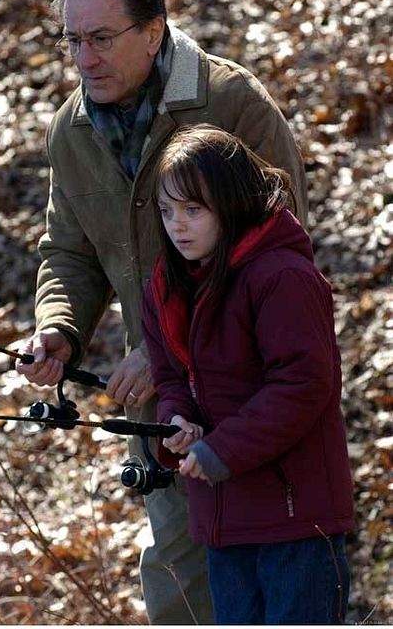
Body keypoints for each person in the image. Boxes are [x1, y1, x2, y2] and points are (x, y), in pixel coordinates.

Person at [16, 0, 308, 625]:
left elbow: (281, 249)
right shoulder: (72, 128)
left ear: (153, 33)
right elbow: (68, 247)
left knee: (277, 578)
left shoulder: (232, 104)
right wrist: (58, 328)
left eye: (101, 38)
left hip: (259, 393)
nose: (84, 58)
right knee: (177, 578)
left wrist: (169, 342)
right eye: (72, 41)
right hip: (164, 408)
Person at [141, 124, 355, 625]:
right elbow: (172, 378)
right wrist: (177, 423)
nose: (178, 225)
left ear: (231, 204)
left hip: (297, 519)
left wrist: (221, 449)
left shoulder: (281, 276)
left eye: (194, 209)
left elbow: (303, 384)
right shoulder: (168, 285)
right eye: (167, 211)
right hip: (223, 519)